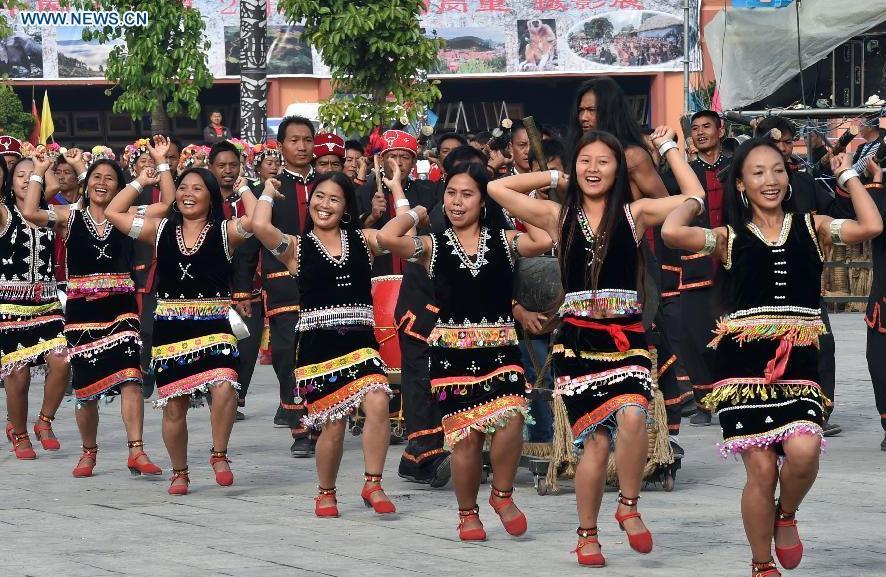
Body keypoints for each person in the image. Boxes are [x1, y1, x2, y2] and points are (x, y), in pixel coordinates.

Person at [662, 139, 882, 577]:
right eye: (758, 172)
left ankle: (787, 513)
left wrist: (848, 174)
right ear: (741, 184)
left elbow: (871, 225)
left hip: (799, 364)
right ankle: (761, 564)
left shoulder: (813, 226)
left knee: (804, 451)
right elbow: (670, 233)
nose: (770, 180)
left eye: (778, 170)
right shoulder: (727, 238)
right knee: (761, 470)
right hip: (742, 369)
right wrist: (694, 198)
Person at [489, 126, 706, 567]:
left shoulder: (636, 211)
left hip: (626, 338)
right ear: (573, 166)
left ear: (619, 169)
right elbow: (496, 187)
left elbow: (693, 196)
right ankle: (587, 535)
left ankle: (628, 506)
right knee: (595, 444)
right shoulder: (556, 216)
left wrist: (665, 148)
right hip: (577, 343)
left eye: (604, 161)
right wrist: (554, 179)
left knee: (633, 416)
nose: (593, 169)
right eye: (585, 160)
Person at [379, 162, 553, 541]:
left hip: (500, 349)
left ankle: (502, 496)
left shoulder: (505, 241)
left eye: (468, 194)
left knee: (511, 420)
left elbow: (543, 239)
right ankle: (467, 513)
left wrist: (529, 191)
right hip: (451, 356)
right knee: (467, 439)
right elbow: (387, 238)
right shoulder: (431, 245)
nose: (457, 202)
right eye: (451, 193)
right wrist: (414, 212)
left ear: (484, 200)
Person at [22, 142, 173, 477]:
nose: (102, 182)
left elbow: (167, 204)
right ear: (86, 182)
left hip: (121, 306)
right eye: (97, 177)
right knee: (86, 389)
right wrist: (37, 170)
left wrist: (161, 166)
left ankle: (136, 451)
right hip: (82, 313)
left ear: (120, 189)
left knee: (132, 378)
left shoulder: (129, 216)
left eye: (110, 178)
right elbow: (31, 212)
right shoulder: (69, 217)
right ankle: (88, 452)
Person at [251, 171, 397, 517]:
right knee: (334, 424)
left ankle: (373, 483)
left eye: (334, 198)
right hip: (318, 349)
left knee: (378, 401)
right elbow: (259, 226)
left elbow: (399, 232)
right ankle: (326, 491)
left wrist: (404, 199)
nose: (324, 204)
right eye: (319, 196)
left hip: (362, 343)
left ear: (346, 207)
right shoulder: (294, 247)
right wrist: (269, 191)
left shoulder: (365, 240)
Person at [105, 165, 256, 495]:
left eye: (198, 188)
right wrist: (142, 181)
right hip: (171, 327)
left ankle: (219, 454)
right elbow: (113, 212)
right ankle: (180, 472)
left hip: (214, 322)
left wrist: (244, 189)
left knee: (225, 386)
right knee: (174, 405)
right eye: (183, 188)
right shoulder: (159, 230)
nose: (188, 194)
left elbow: (258, 221)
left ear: (212, 197)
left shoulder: (225, 230)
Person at [754, 117, 851, 436]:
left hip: (805, 281)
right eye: (776, 142)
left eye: (787, 142)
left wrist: (844, 179)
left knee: (822, 345)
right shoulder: (744, 183)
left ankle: (819, 410)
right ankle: (765, 410)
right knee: (764, 350)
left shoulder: (805, 181)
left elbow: (838, 214)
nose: (783, 148)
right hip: (759, 282)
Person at [233, 115, 318, 457]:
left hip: (324, 285)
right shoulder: (262, 192)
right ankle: (299, 426)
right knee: (286, 353)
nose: (302, 146)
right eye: (294, 140)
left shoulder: (330, 186)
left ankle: (323, 416)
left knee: (320, 351)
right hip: (282, 286)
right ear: (280, 146)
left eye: (307, 140)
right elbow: (248, 245)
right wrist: (242, 291)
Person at [1, 155, 70, 460]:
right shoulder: (3, 213)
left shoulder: (46, 212)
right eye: (20, 176)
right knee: (19, 375)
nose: (28, 179)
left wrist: (43, 167)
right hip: (10, 304)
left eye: (33, 175)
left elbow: (57, 181)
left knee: (62, 360)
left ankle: (44, 421)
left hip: (47, 302)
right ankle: (18, 432)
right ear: (7, 181)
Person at [208, 141, 263, 421]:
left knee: (248, 349)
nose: (228, 171)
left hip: (249, 285)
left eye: (233, 165)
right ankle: (220, 396)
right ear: (211, 168)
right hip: (211, 289)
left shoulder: (251, 196)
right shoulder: (202, 198)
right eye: (221, 166)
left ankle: (235, 397)